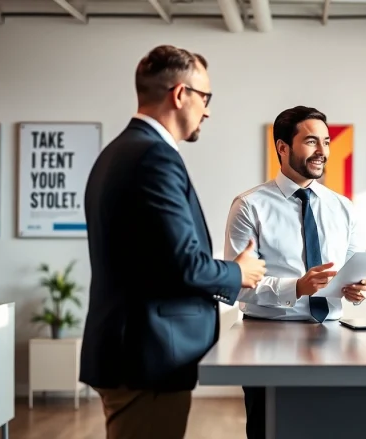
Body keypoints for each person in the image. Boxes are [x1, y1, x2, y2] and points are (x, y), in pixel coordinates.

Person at [79, 44, 266, 439]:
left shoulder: (119, 152)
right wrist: (239, 272)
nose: (208, 111)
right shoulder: (154, 157)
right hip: (146, 357)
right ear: (180, 94)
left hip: (133, 351)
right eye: (205, 98)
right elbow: (184, 264)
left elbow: (156, 259)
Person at [224, 105, 366, 439]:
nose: (323, 151)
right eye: (311, 141)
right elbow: (236, 283)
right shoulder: (249, 206)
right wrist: (296, 287)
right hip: (265, 339)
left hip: (332, 338)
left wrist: (359, 288)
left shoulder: (342, 207)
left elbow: (353, 273)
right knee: (269, 430)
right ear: (282, 147)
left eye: (326, 142)